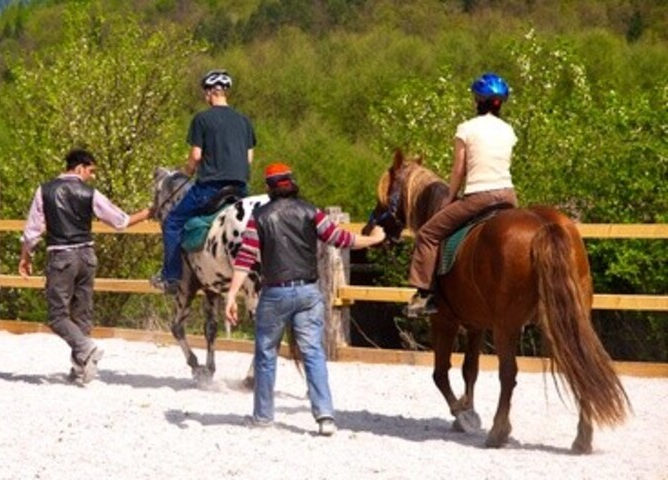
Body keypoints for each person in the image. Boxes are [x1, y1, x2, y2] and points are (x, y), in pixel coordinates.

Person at [225, 163, 386, 436]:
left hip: (274, 293)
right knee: (313, 353)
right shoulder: (311, 211)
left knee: (265, 354)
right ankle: (325, 416)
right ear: (291, 183)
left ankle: (263, 417)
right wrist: (373, 239)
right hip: (309, 292)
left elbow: (245, 258)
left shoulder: (259, 217)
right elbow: (341, 238)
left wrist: (231, 295)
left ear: (269, 188)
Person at [18, 148, 151, 384]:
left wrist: (25, 257)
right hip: (87, 256)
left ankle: (85, 348)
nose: (92, 176)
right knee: (82, 315)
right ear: (79, 167)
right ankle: (81, 369)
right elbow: (120, 221)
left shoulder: (45, 191)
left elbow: (32, 230)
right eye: (91, 170)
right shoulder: (90, 193)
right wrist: (150, 211)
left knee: (57, 316)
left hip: (61, 256)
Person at [405, 72, 518, 318]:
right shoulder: (509, 131)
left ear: (477, 100)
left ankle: (424, 296)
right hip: (509, 197)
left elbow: (459, 168)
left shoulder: (466, 128)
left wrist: (449, 197)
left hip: (479, 196)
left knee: (427, 235)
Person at [151, 69, 257, 294]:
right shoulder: (244, 121)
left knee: (172, 222)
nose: (204, 97)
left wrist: (187, 170)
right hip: (240, 188)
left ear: (210, 92)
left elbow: (196, 156)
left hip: (210, 189)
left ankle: (170, 277)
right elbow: (249, 159)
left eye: (205, 93)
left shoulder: (202, 119)